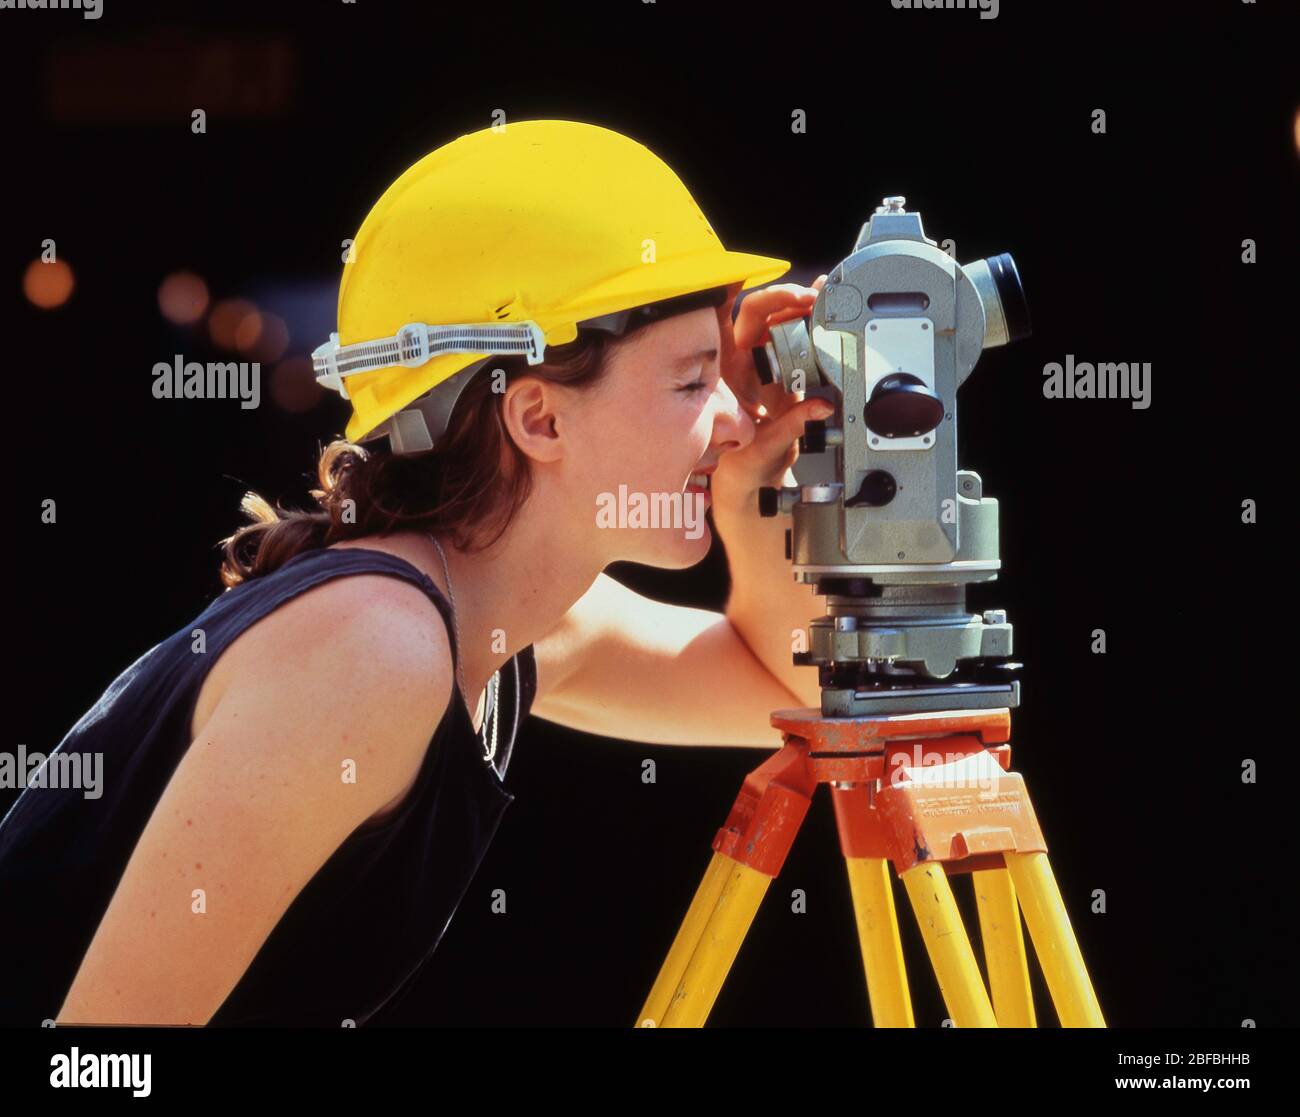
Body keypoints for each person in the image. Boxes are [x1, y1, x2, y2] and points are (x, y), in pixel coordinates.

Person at [0, 119, 833, 1026]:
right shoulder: (373, 652)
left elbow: (799, 689)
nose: (736, 419)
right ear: (539, 419)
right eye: (691, 382)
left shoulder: (503, 617)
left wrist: (757, 485)